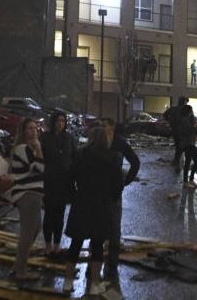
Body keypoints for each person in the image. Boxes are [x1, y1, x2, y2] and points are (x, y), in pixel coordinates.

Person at [65, 126, 123, 296]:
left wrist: (74, 196)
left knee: (75, 243)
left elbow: (69, 177)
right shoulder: (113, 158)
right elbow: (118, 185)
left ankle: (68, 282)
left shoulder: (80, 155)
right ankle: (95, 284)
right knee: (97, 245)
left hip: (82, 203)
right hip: (101, 205)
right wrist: (110, 197)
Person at [6, 118, 45, 280]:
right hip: (27, 193)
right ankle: (21, 271)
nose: (33, 131)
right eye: (29, 128)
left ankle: (17, 266)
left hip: (33, 193)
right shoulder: (23, 148)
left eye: (35, 128)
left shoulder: (29, 148)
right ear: (23, 131)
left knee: (34, 229)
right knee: (28, 233)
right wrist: (39, 149)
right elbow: (38, 169)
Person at [102, 118, 140, 281]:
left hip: (114, 193)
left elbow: (135, 162)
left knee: (114, 229)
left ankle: (112, 265)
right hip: (97, 191)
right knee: (97, 228)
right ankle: (94, 264)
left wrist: (126, 181)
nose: (103, 129)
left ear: (112, 128)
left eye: (106, 126)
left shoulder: (120, 143)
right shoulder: (98, 141)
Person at [40, 111, 77, 256]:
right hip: (49, 181)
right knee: (49, 214)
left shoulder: (68, 138)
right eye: (58, 121)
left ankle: (57, 244)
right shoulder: (45, 138)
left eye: (63, 121)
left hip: (64, 182)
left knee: (60, 215)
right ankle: (48, 244)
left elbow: (74, 157)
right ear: (53, 122)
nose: (60, 123)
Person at [179, 103, 197, 188]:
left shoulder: (186, 119)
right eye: (191, 110)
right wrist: (195, 127)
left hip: (188, 143)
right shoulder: (184, 120)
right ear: (188, 111)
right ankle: (190, 180)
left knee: (188, 162)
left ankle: (187, 181)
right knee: (196, 161)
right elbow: (189, 130)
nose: (192, 112)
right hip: (188, 143)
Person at [164, 97, 187, 167]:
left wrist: (170, 122)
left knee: (178, 145)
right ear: (184, 102)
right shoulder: (184, 110)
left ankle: (176, 160)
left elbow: (165, 115)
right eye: (185, 101)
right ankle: (176, 161)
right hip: (181, 131)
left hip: (175, 130)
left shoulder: (173, 108)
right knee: (180, 146)